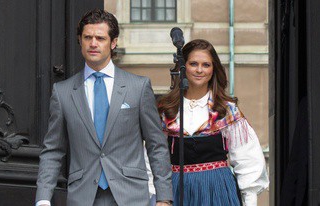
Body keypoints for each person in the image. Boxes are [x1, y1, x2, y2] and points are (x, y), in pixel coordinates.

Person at [35, 9, 173, 206]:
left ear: (113, 42)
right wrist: (42, 199)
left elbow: (156, 145)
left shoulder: (138, 87)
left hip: (131, 196)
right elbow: (53, 150)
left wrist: (164, 197)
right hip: (83, 196)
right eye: (87, 37)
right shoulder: (63, 92)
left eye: (100, 38)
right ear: (80, 41)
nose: (93, 43)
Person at [157, 39, 269, 206]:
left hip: (217, 190)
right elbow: (155, 157)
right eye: (193, 63)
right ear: (183, 67)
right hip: (177, 190)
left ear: (213, 69)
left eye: (206, 65)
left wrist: (249, 201)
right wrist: (158, 196)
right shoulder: (167, 110)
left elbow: (248, 160)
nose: (199, 70)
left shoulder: (226, 110)